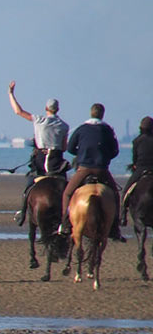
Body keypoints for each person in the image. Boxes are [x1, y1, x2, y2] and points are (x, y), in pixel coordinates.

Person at [7, 81, 70, 225]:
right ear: (58, 109)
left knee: (29, 186)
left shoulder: (39, 120)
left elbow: (18, 111)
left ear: (46, 108)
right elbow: (64, 147)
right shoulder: (65, 126)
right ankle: (67, 217)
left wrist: (11, 94)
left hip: (41, 162)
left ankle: (23, 213)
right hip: (57, 162)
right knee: (67, 190)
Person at [62, 103, 122, 241]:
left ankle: (65, 224)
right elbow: (115, 151)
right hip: (102, 169)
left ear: (91, 113)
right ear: (102, 114)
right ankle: (115, 227)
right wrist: (105, 156)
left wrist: (81, 153)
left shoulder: (81, 129)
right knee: (115, 194)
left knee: (67, 193)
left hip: (84, 169)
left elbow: (70, 148)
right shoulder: (107, 130)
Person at [120, 116, 153, 223]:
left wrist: (135, 165)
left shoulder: (137, 141)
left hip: (141, 169)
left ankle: (123, 214)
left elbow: (135, 159)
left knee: (126, 191)